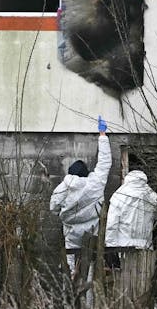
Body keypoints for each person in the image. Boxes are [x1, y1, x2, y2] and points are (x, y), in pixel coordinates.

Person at [50, 117, 112, 274]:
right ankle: (89, 298)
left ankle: (71, 295)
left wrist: (66, 214)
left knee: (71, 266)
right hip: (92, 233)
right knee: (90, 266)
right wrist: (103, 135)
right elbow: (105, 163)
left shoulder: (63, 188)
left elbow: (53, 208)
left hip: (71, 233)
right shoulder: (95, 183)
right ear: (86, 173)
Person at [105, 153, 157, 307]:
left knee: (123, 287)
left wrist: (110, 248)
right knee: (143, 286)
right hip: (146, 248)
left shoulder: (119, 195)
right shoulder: (151, 196)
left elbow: (111, 225)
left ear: (127, 179)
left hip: (123, 248)